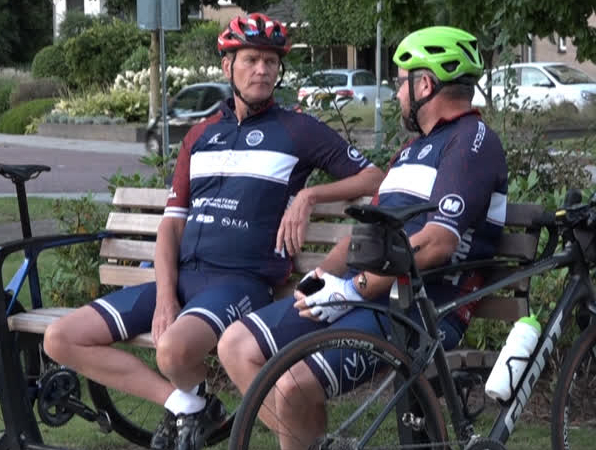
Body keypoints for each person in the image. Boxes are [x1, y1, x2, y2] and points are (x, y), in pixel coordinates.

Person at [42, 12, 384, 450]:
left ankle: (276, 431)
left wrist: (309, 196)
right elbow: (171, 224)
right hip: (185, 277)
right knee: (61, 338)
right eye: (251, 60)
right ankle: (186, 404)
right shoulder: (201, 135)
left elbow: (374, 178)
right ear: (228, 67)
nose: (262, 70)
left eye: (271, 62)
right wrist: (165, 297)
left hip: (240, 282)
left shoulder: (298, 129)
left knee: (172, 350)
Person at [218, 26, 509, 450]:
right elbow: (364, 236)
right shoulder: (411, 151)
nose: (398, 93)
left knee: (293, 384)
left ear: (425, 84)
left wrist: (352, 288)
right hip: (364, 293)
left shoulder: (471, 142)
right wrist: (321, 279)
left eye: (402, 82)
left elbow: (437, 242)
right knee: (236, 344)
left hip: (417, 307)